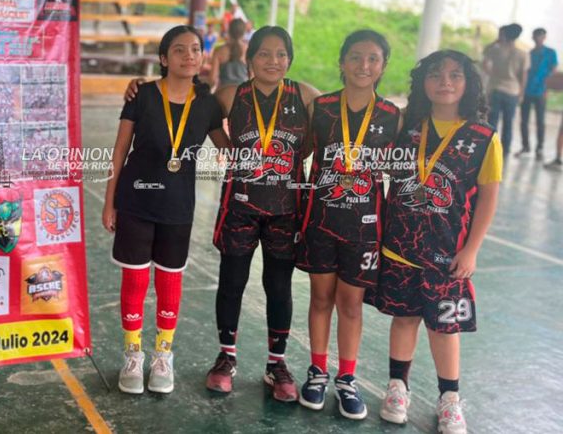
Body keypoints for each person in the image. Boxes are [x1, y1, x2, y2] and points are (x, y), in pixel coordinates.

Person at [372, 50, 501, 434]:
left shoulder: (483, 138)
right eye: (436, 74)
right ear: (423, 83)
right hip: (401, 246)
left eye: (455, 75)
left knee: (445, 326)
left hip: (449, 253)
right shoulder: (407, 128)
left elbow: (489, 196)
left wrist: (472, 249)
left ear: (468, 84)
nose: (445, 81)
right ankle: (398, 386)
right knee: (404, 316)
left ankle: (449, 399)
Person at [104, 25, 228, 395]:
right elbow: (120, 150)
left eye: (195, 49)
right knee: (137, 280)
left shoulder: (207, 104)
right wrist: (110, 201)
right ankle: (132, 354)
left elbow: (231, 149)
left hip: (178, 207)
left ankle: (163, 355)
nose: (189, 55)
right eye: (179, 50)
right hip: (135, 200)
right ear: (163, 59)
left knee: (170, 280)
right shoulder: (141, 95)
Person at [205, 26, 320, 401]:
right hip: (239, 204)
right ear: (249, 59)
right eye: (265, 54)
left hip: (286, 209)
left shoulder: (304, 95)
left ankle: (276, 364)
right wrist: (227, 148)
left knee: (279, 286)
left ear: (289, 58)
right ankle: (227, 357)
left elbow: (339, 118)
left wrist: (298, 156)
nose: (274, 61)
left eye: (281, 54)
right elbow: (199, 112)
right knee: (232, 282)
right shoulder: (230, 95)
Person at [296, 30, 400, 420]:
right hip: (321, 219)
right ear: (342, 62)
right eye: (356, 57)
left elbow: (401, 164)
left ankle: (347, 378)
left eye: (373, 59)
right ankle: (318, 371)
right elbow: (300, 149)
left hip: (365, 227)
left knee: (351, 305)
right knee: (321, 299)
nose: (364, 65)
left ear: (383, 66)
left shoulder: (393, 116)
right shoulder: (320, 107)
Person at [482, 23, 527, 157]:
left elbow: (484, 58)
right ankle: (505, 150)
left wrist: (492, 74)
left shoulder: (496, 50)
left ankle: (489, 148)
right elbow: (523, 75)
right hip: (512, 91)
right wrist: (521, 93)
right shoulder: (522, 54)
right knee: (508, 122)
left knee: (492, 121)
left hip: (495, 89)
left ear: (505, 34)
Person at [516, 28, 557, 159]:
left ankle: (539, 148)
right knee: (524, 120)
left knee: (540, 121)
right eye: (535, 36)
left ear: (544, 37)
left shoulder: (550, 53)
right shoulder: (530, 53)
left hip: (541, 91)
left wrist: (547, 86)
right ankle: (525, 146)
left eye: (540, 36)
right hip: (527, 91)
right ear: (533, 38)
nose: (538, 39)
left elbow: (554, 69)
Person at [208, 18, 249, 92]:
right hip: (243, 95)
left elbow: (212, 80)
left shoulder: (219, 51)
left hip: (223, 94)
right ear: (244, 32)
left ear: (229, 31)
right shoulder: (249, 51)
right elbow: (252, 78)